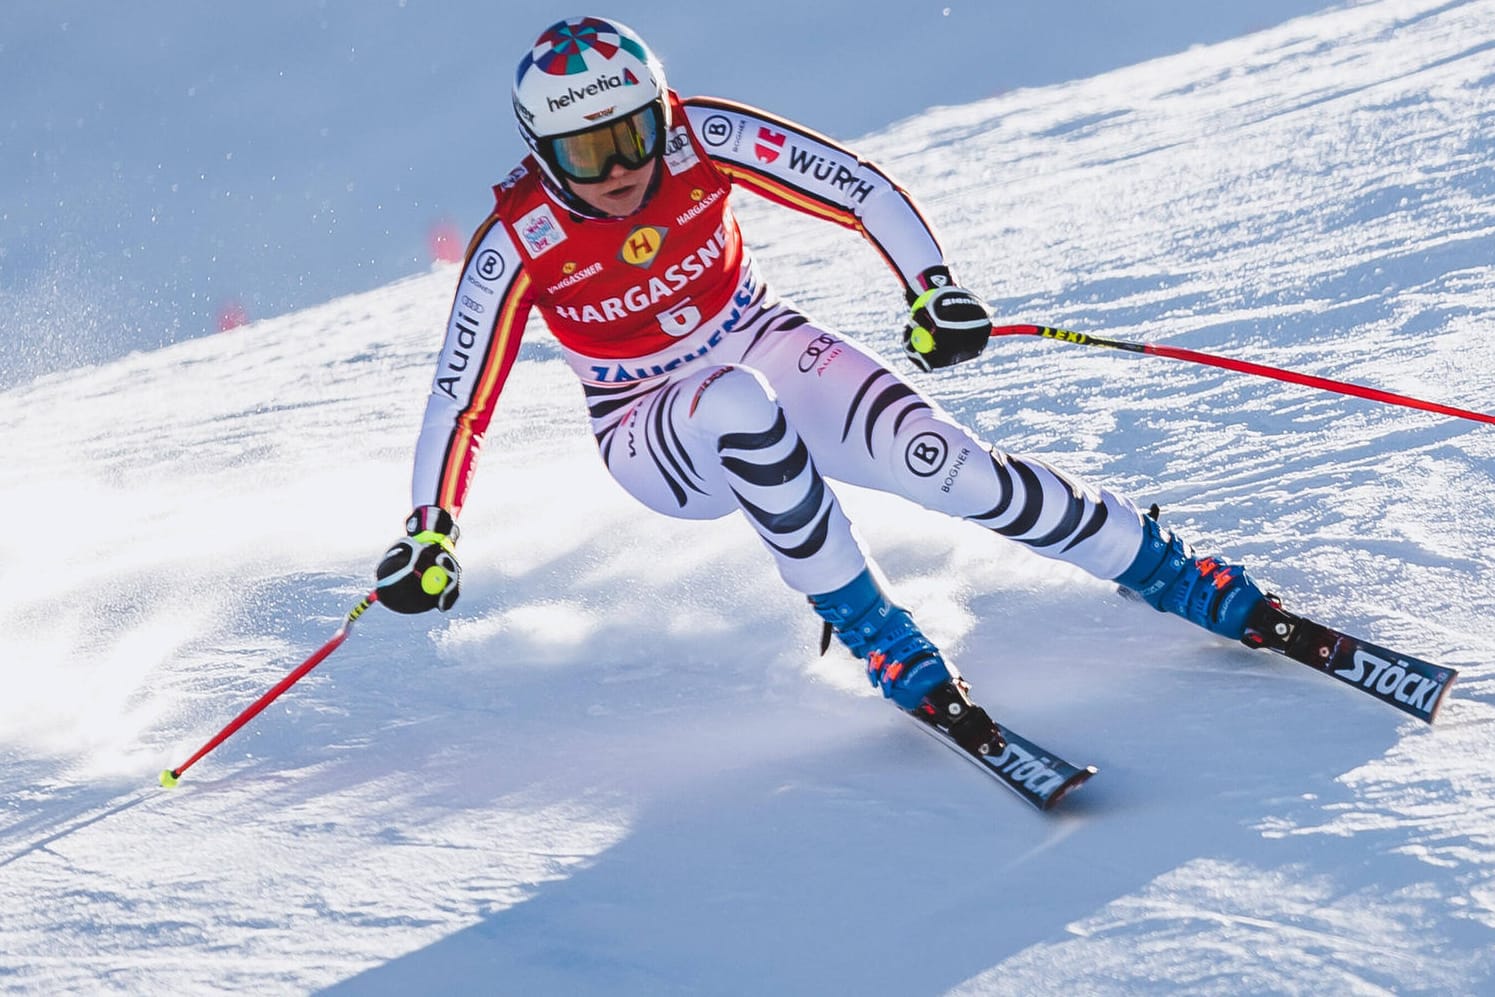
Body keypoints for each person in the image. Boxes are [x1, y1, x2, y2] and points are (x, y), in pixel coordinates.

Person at [374, 15, 1269, 752]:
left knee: (949, 467)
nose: (618, 170)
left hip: (759, 336)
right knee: (732, 401)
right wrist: (431, 532)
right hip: (649, 424)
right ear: (541, 152)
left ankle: (1161, 569)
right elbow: (460, 398)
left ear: (661, 110)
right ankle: (877, 633)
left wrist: (934, 290)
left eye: (632, 135)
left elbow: (856, 187)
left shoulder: (702, 136)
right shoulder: (517, 240)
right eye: (586, 152)